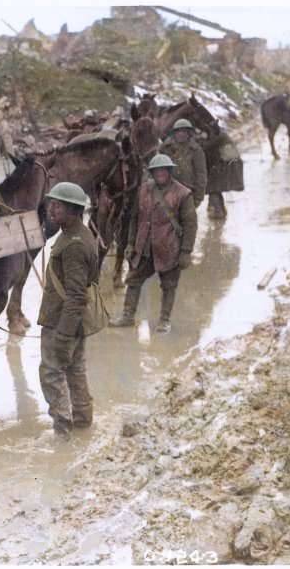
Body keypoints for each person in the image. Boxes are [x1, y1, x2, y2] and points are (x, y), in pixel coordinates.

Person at [108, 154, 197, 334]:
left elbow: (191, 225)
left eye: (164, 170)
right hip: (144, 248)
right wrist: (131, 244)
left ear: (170, 171)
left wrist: (185, 252)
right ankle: (127, 316)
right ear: (152, 173)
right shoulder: (144, 190)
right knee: (133, 280)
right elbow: (134, 218)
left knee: (169, 285)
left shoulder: (183, 194)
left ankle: (164, 320)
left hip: (169, 248)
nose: (161, 174)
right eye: (157, 171)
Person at [37, 182, 99, 439]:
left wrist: (62, 335)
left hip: (63, 322)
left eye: (58, 205)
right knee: (75, 368)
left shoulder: (73, 245)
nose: (51, 209)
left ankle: (62, 431)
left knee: (51, 373)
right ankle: (83, 421)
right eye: (51, 203)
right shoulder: (78, 235)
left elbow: (76, 295)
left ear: (74, 210)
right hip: (74, 322)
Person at [159, 118, 207, 209]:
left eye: (184, 131)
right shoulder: (165, 147)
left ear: (189, 133)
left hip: (187, 192)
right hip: (167, 191)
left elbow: (201, 174)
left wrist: (198, 198)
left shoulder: (196, 150)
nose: (181, 134)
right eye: (179, 131)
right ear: (174, 133)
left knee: (187, 221)